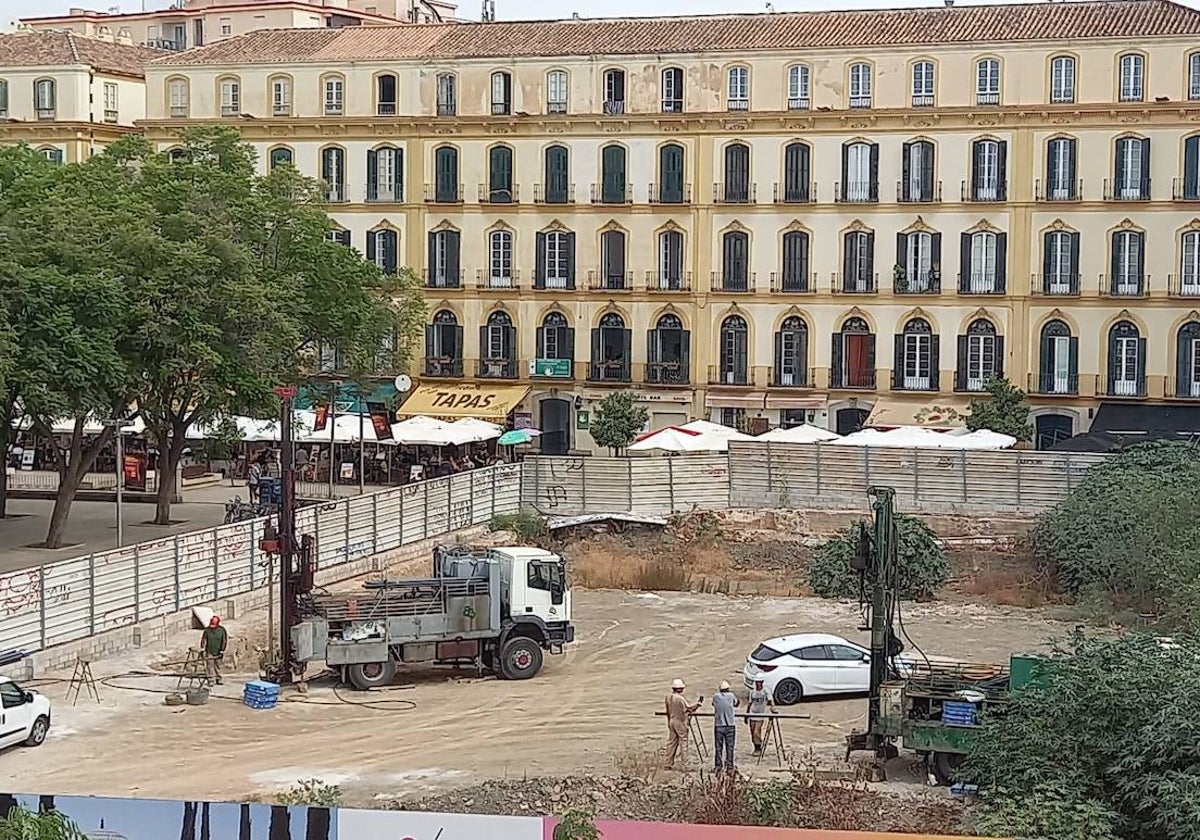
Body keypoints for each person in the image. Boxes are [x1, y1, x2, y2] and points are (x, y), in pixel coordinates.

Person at [664, 678, 701, 769]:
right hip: (680, 722)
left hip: (671, 720)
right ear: (680, 689)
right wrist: (698, 704)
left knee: (671, 742)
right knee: (683, 742)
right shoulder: (680, 699)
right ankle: (685, 764)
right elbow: (689, 709)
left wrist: (669, 721)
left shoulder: (668, 697)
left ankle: (668, 763)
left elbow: (668, 711)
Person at [712, 680, 740, 772]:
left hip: (719, 725)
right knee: (730, 747)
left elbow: (713, 704)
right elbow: (736, 703)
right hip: (730, 725)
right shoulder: (731, 696)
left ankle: (718, 766)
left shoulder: (716, 696)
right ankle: (730, 766)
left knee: (718, 747)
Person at [747, 675, 776, 756]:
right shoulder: (752, 692)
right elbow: (750, 704)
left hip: (760, 714)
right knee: (752, 732)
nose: (758, 684)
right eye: (757, 682)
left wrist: (772, 708)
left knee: (757, 731)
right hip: (752, 713)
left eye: (759, 682)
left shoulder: (765, 691)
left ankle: (758, 747)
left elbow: (771, 700)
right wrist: (746, 714)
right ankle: (755, 746)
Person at [200, 616, 228, 686]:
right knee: (210, 666)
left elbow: (224, 640)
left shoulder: (222, 630)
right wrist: (202, 648)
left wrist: (222, 650)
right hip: (209, 650)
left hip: (218, 651)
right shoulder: (207, 630)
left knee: (218, 665)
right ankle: (211, 679)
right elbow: (203, 639)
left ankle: (218, 678)